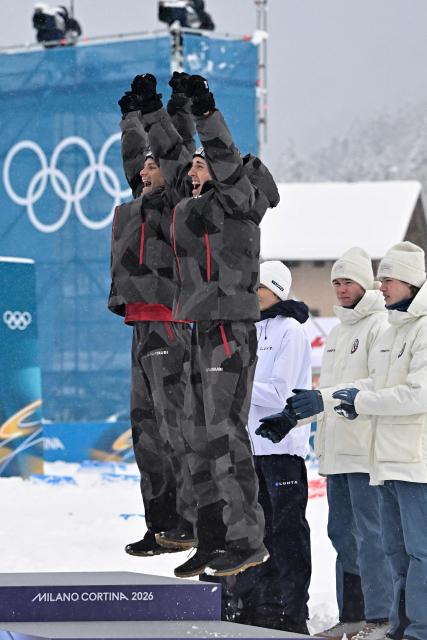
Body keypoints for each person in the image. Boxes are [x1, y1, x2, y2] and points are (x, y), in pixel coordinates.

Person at [137, 72, 279, 578]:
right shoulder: (192, 205)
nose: (194, 164)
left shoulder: (238, 204)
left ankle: (246, 539)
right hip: (197, 326)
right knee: (195, 435)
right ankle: (212, 537)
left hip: (228, 327)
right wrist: (152, 112)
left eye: (204, 161)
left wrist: (203, 112)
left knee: (223, 433)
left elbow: (219, 152)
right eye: (195, 162)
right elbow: (172, 159)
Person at [257, 247, 392, 640]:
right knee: (341, 535)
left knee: (372, 536)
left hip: (365, 451)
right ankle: (351, 614)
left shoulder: (379, 327)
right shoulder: (336, 333)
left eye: (348, 280)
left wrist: (320, 401)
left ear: (366, 283)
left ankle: (379, 616)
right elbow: (326, 393)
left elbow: (375, 387)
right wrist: (292, 415)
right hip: (334, 453)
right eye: (336, 281)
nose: (341, 288)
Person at [108, 73, 197, 558]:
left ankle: (188, 518)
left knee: (173, 424)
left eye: (151, 167)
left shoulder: (178, 204)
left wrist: (165, 109)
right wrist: (130, 120)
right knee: (145, 429)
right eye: (140, 169)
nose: (144, 173)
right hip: (141, 323)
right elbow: (137, 159)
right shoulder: (139, 202)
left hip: (170, 318)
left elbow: (176, 153)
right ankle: (161, 522)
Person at [332, 241, 427, 640]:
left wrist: (364, 400)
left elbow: (418, 393)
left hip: (415, 460)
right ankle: (400, 626)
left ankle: (420, 629)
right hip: (384, 460)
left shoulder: (423, 328)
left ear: (409, 280)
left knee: (420, 552)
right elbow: (374, 383)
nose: (381, 286)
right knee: (395, 551)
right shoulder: (394, 328)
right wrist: (334, 398)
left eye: (387, 279)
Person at [210, 261, 312, 635]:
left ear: (277, 291)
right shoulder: (246, 328)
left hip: (280, 452)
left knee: (285, 536)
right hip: (244, 450)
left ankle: (289, 613)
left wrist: (232, 381)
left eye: (260, 289)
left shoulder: (291, 331)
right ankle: (256, 610)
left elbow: (280, 394)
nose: (252, 294)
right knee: (252, 536)